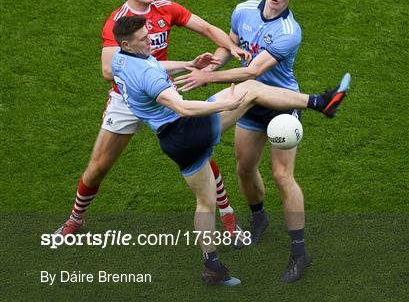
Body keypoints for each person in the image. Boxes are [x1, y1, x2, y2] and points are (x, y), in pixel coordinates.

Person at [111, 15, 351, 285]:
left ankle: (212, 267)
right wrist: (226, 105)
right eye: (143, 40)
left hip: (172, 144)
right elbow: (184, 108)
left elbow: (154, 63)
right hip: (188, 129)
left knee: (205, 202)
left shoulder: (121, 59)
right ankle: (321, 102)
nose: (150, 42)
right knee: (249, 90)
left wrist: (187, 65)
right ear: (127, 44)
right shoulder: (147, 75)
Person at [174, 0, 348, 282]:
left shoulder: (288, 32)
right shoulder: (243, 10)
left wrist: (208, 78)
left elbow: (253, 72)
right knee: (244, 167)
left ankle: (299, 253)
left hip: (280, 105)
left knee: (283, 176)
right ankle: (259, 219)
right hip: (251, 107)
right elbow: (231, 44)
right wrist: (214, 62)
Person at [56, 0, 251, 242]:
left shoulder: (165, 9)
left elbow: (206, 28)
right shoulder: (118, 23)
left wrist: (230, 47)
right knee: (99, 165)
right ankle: (76, 219)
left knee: (198, 150)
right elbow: (107, 70)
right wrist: (143, 71)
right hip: (127, 99)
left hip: (162, 92)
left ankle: (229, 218)